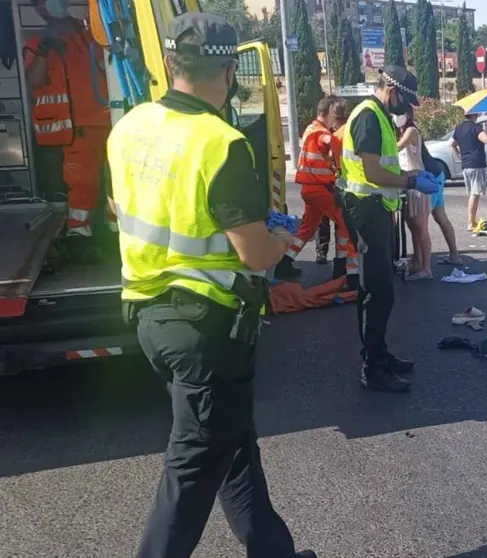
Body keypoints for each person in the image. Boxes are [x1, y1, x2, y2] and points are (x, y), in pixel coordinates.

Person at [106, 13, 314, 558]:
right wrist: (283, 239)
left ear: (170, 62)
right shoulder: (221, 142)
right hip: (207, 329)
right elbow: (253, 254)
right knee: (192, 470)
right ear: (228, 72)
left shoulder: (129, 127)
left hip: (150, 316)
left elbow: (115, 208)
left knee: (232, 446)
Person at [338, 65, 439, 393]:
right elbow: (372, 173)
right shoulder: (369, 116)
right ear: (392, 91)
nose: (407, 108)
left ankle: (379, 354)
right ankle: (372, 368)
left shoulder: (380, 116)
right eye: (405, 101)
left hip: (377, 211)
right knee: (376, 291)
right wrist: (410, 182)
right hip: (365, 213)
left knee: (382, 291)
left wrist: (411, 178)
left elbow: (385, 166)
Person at [24, 0, 115, 250]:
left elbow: (110, 63)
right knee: (83, 183)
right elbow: (33, 80)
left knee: (116, 179)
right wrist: (44, 51)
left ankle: (115, 231)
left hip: (108, 120)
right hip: (75, 130)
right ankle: (79, 235)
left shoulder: (91, 35)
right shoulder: (36, 44)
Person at [276, 95, 359, 286]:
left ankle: (285, 262)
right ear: (329, 113)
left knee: (307, 228)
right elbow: (326, 140)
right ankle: (347, 272)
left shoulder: (310, 128)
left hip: (308, 189)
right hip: (322, 189)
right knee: (347, 225)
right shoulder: (323, 133)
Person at [451, 112, 487, 230]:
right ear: (475, 115)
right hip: (476, 164)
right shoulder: (476, 128)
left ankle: (472, 220)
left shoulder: (459, 128)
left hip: (466, 165)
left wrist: (460, 156)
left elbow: (453, 144)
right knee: (475, 193)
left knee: (473, 193)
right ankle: (471, 222)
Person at [396, 108, 433, 280]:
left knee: (421, 228)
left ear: (408, 115)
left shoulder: (411, 131)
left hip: (418, 184)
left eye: (399, 114)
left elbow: (395, 148)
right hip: (408, 184)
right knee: (413, 228)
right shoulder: (403, 132)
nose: (396, 117)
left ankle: (426, 268)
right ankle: (417, 261)